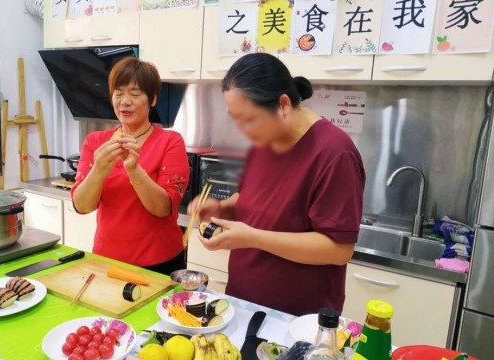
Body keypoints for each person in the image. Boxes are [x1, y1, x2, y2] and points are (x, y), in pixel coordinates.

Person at [189, 53, 365, 316]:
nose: (243, 130)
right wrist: (222, 208)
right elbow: (252, 201)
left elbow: (339, 249)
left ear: (283, 104)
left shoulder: (335, 153)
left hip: (297, 317)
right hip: (242, 302)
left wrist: (253, 238)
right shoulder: (264, 141)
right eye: (235, 119)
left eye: (249, 119)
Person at [72, 57, 189, 276]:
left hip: (159, 262)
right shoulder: (95, 141)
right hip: (107, 261)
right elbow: (82, 206)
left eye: (135, 94)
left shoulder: (170, 141)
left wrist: (134, 170)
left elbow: (162, 208)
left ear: (152, 99)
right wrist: (98, 171)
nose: (125, 101)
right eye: (118, 93)